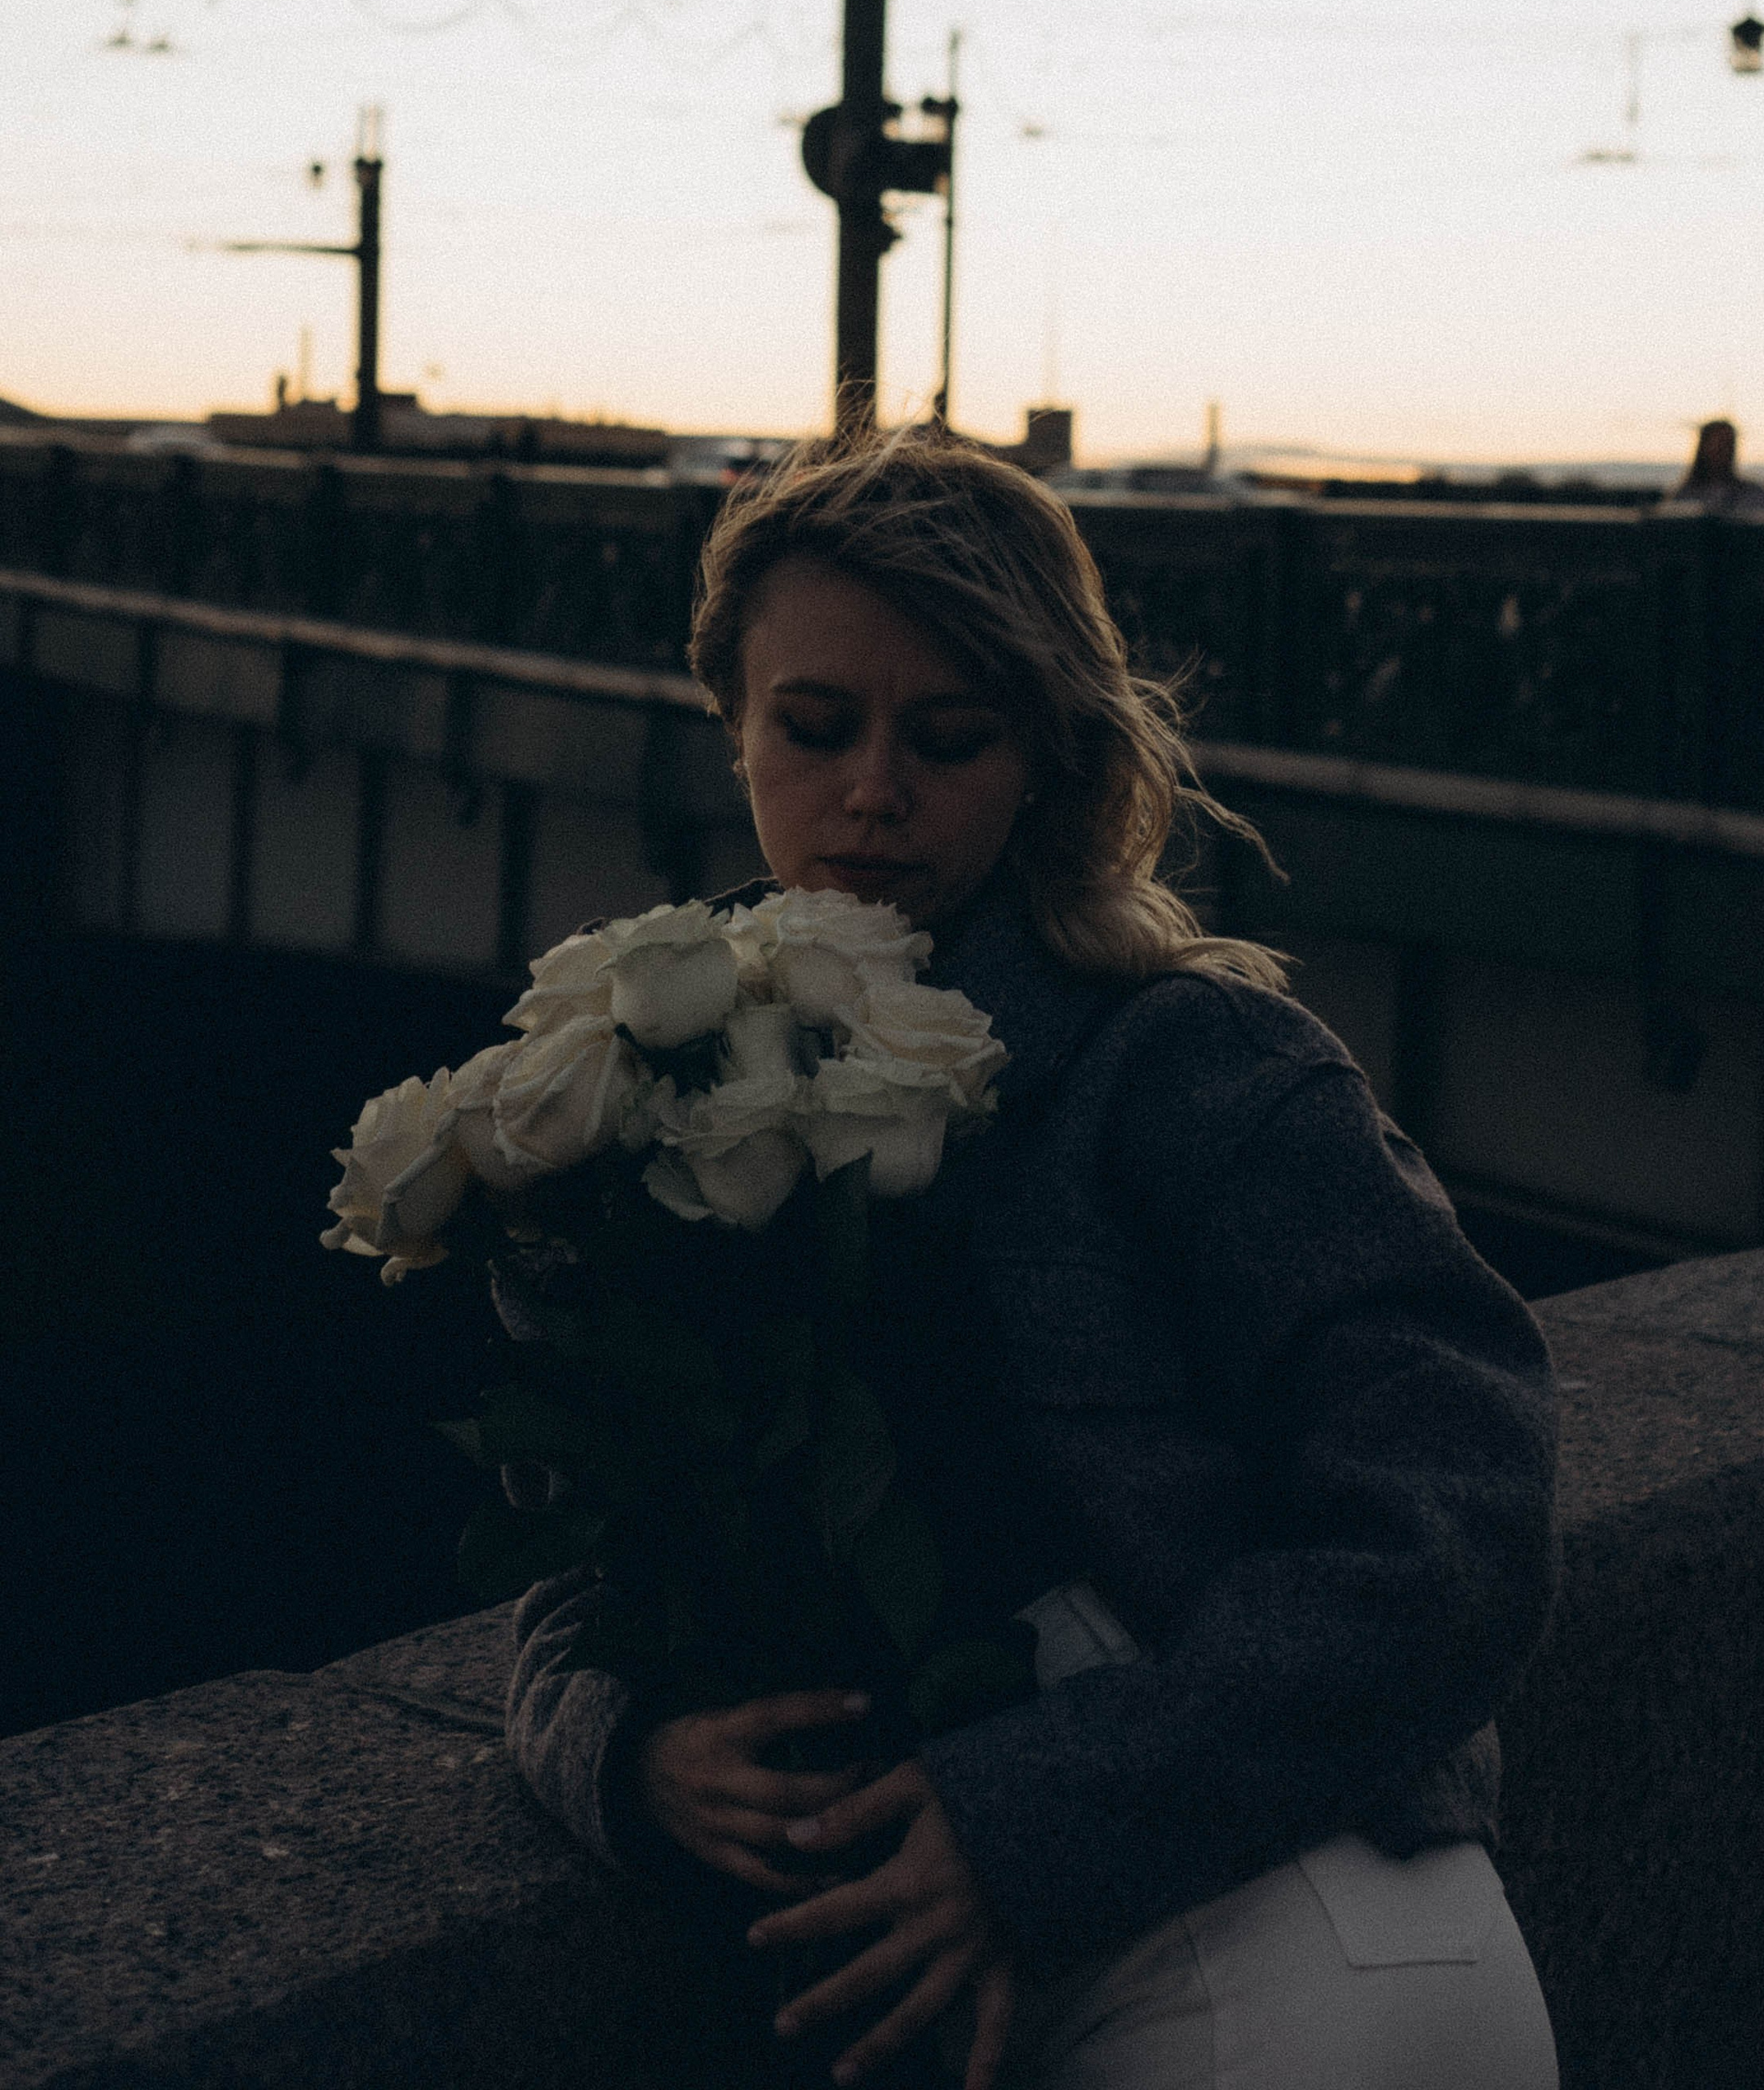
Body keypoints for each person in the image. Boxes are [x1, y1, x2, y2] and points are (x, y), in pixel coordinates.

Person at [507, 428, 1560, 2090]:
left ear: (1043, 758)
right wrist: (623, 1756)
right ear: (731, 727)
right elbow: (602, 1545)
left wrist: (1027, 1822)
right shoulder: (671, 1091)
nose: (869, 791)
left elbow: (1460, 1522)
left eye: (945, 736)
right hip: (1031, 1969)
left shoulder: (1194, 1062)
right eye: (814, 726)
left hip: (1301, 1958)